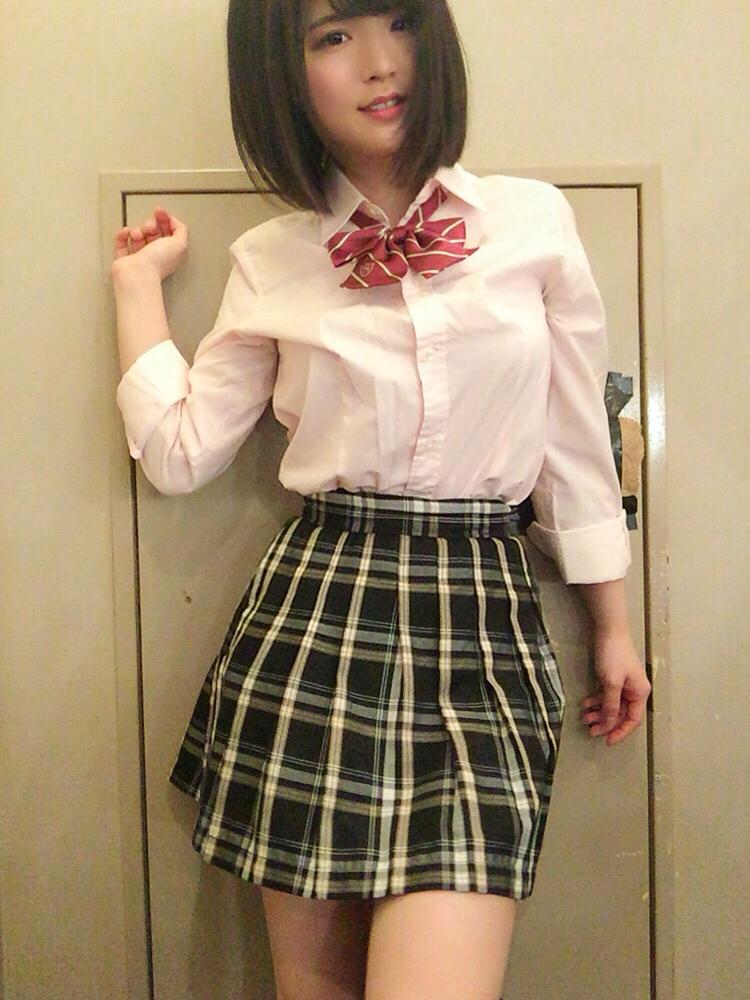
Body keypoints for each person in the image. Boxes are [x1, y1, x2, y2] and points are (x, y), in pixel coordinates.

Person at [111, 1, 652, 997]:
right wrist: (137, 288)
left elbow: (575, 442)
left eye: (399, 22)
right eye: (332, 37)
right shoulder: (273, 257)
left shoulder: (532, 222)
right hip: (320, 622)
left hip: (484, 627)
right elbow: (181, 453)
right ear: (283, 72)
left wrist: (612, 625)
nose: (378, 62)